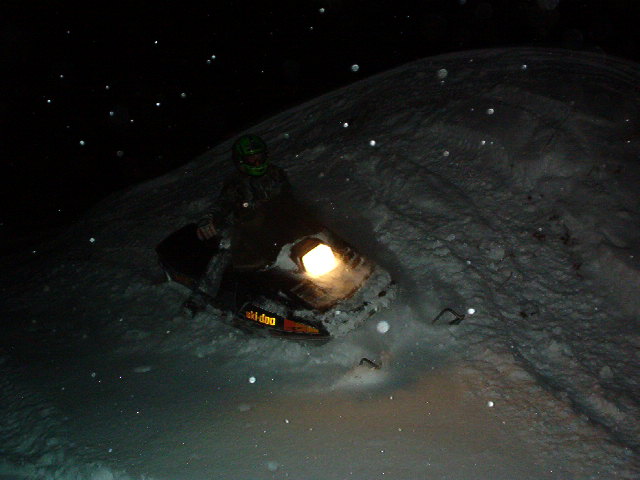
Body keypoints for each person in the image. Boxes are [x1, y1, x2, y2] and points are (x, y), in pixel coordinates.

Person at [183, 133, 291, 315]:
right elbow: (222, 205)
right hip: (243, 227)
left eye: (259, 156)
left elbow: (289, 198)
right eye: (251, 158)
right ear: (241, 160)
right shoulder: (236, 183)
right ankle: (200, 296)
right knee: (226, 249)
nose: (257, 161)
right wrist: (209, 218)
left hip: (273, 223)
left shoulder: (276, 174)